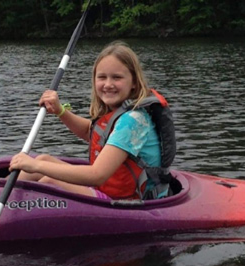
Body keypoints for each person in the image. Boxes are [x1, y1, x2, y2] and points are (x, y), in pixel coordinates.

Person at [9, 41, 163, 200]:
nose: (108, 84)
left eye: (117, 77)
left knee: (49, 181)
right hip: (108, 190)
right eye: (102, 77)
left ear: (134, 82)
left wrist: (35, 165)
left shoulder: (133, 121)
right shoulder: (120, 112)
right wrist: (60, 111)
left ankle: (11, 207)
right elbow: (89, 132)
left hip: (128, 203)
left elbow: (97, 175)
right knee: (43, 159)